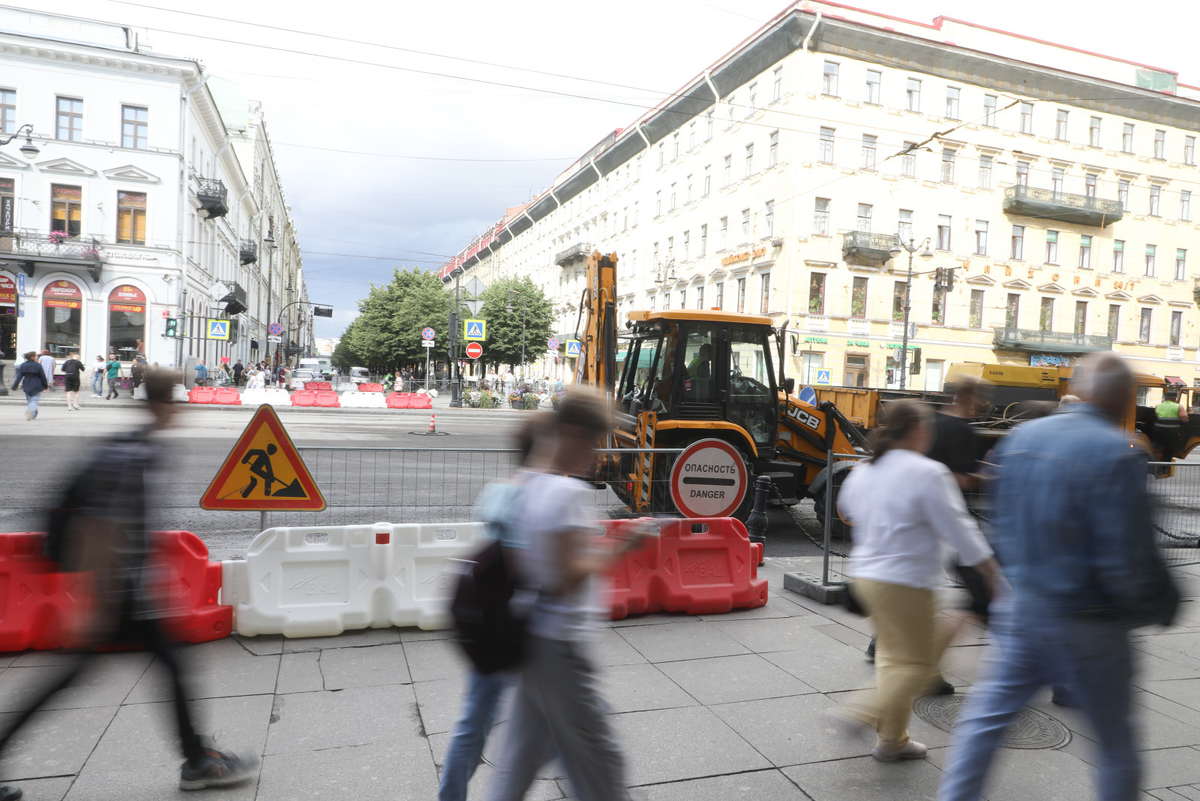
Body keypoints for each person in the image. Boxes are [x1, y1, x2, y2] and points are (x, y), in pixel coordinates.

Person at [0, 370, 257, 800]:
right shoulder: (132, 456)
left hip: (127, 593)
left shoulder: (137, 448)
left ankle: (197, 759)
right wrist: (92, 604)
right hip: (116, 595)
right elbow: (99, 530)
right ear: (162, 405)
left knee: (160, 669)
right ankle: (197, 762)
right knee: (78, 679)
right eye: (177, 401)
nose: (181, 410)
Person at [938, 353, 1180, 801]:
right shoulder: (1118, 450)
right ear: (1123, 398)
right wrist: (1159, 603)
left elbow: (1001, 520)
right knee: (1115, 743)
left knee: (984, 723)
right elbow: (1124, 552)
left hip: (1021, 608)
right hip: (1089, 619)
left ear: (1080, 388)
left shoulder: (1022, 437)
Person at [486, 389, 653, 801]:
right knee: (601, 760)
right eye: (596, 442)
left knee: (523, 753)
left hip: (530, 633)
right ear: (575, 434)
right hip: (558, 644)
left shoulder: (524, 484)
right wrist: (624, 545)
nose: (598, 455)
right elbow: (566, 580)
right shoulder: (567, 494)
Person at [836, 400, 997, 763]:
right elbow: (960, 528)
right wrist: (990, 572)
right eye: (926, 427)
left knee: (893, 661)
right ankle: (860, 710)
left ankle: (893, 741)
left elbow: (846, 508)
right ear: (915, 430)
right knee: (919, 665)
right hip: (905, 582)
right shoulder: (928, 472)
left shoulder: (864, 469)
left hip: (866, 578)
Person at [439, 419, 542, 801]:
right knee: (556, 720)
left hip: (488, 619)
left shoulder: (501, 489)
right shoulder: (530, 495)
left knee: (476, 719)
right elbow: (520, 565)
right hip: (511, 623)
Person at [12, 351, 49, 421]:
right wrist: (46, 386)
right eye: (36, 356)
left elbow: (18, 377)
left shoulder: (23, 365)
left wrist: (14, 386)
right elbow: (42, 376)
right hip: (36, 384)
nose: (37, 357)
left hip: (26, 384)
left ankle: (33, 414)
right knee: (34, 400)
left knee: (30, 400)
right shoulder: (38, 365)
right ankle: (31, 412)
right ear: (33, 357)